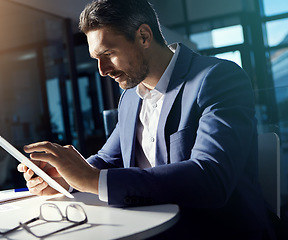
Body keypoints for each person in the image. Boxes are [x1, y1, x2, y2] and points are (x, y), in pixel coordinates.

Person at [18, 0, 277, 239]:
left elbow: (210, 177)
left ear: (143, 36)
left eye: (108, 53)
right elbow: (109, 159)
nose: (102, 70)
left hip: (218, 232)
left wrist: (91, 179)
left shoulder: (218, 78)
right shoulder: (130, 98)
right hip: (152, 229)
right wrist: (66, 178)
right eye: (97, 59)